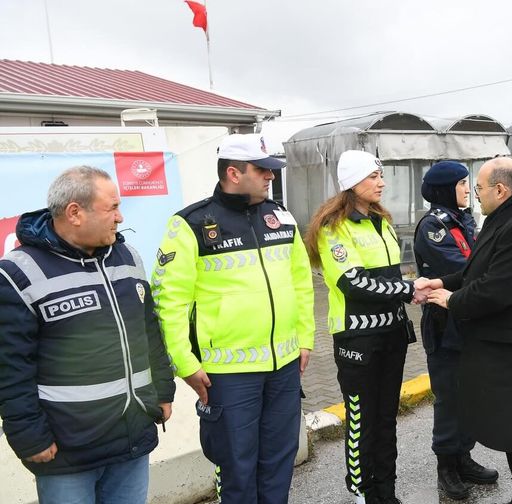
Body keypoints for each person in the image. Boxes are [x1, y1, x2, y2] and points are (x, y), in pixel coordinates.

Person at [152, 134, 314, 504]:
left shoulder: (281, 217)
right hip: (228, 373)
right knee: (237, 469)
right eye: (262, 170)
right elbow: (168, 300)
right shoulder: (190, 224)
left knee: (278, 462)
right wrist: (184, 362)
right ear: (233, 173)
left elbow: (301, 283)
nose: (271, 177)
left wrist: (305, 339)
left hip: (284, 365)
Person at [0, 166, 175, 504]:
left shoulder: (128, 257)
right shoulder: (18, 272)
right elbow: (10, 366)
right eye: (112, 208)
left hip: (131, 438)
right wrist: (28, 436)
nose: (121, 218)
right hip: (67, 450)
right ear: (75, 213)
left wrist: (163, 390)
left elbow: (149, 331)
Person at [423, 157, 512, 504]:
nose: (475, 194)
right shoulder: (505, 219)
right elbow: (476, 270)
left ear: (500, 190)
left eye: (480, 188)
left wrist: (450, 299)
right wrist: (442, 281)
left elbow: (494, 290)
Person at [304, 150, 427, 504]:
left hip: (392, 336)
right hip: (357, 339)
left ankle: (385, 489)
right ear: (352, 183)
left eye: (381, 175)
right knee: (362, 419)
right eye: (373, 176)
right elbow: (353, 283)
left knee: (387, 418)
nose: (381, 182)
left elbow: (391, 274)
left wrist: (413, 284)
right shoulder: (333, 228)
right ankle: (361, 490)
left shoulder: (381, 221)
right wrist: (408, 289)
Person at [412, 161, 498, 501]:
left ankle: (464, 456)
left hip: (468, 320)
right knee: (449, 398)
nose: (468, 190)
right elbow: (465, 266)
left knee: (471, 394)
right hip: (444, 324)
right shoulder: (432, 226)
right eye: (462, 184)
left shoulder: (465, 221)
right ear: (446, 189)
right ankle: (446, 464)